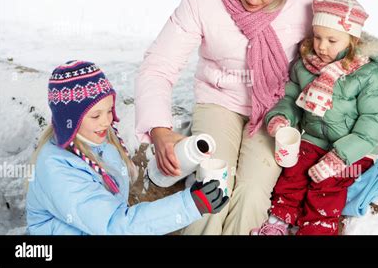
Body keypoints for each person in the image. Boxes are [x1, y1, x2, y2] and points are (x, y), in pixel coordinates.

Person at [135, 0, 318, 234]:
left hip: (275, 109)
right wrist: (160, 130)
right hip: (218, 101)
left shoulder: (304, 0)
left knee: (252, 191)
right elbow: (158, 65)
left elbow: (328, 52)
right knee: (214, 181)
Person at [26, 60, 228, 235]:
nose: (106, 122)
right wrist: (190, 205)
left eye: (108, 110)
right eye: (96, 115)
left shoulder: (99, 145)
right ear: (69, 120)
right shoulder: (56, 170)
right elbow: (113, 224)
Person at [251, 0, 378, 235]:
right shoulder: (305, 65)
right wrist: (282, 118)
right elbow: (290, 99)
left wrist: (341, 156)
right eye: (317, 37)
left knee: (326, 182)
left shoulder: (368, 75)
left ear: (352, 40)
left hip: (354, 152)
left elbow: (376, 122)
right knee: (293, 171)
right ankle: (279, 221)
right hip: (314, 140)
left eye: (332, 40)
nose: (321, 46)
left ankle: (318, 229)